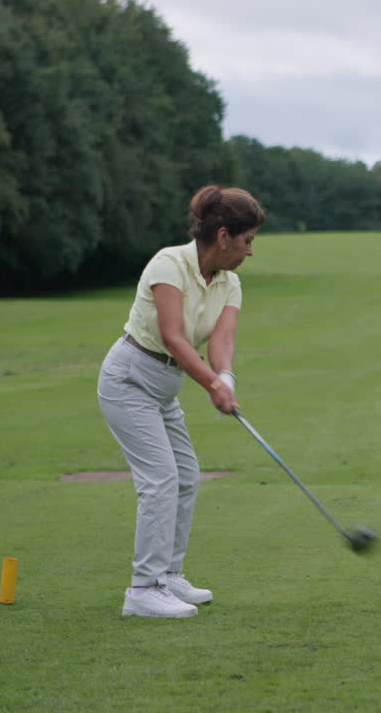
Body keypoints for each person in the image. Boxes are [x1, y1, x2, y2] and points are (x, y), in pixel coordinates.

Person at [97, 185, 265, 618]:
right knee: (160, 480)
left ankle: (168, 575)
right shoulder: (169, 264)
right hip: (130, 378)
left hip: (165, 387)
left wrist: (224, 378)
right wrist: (210, 384)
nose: (250, 251)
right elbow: (173, 336)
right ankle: (143, 590)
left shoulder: (230, 283)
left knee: (186, 476)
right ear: (224, 236)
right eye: (247, 241)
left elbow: (222, 340)